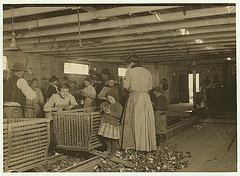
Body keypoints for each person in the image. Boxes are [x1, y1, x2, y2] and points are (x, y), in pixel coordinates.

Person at [121, 53, 157, 151]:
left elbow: (125, 86)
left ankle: (133, 145)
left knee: (133, 120)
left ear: (131, 62)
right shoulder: (147, 71)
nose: (127, 66)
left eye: (127, 64)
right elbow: (150, 87)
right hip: (146, 98)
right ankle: (144, 145)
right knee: (144, 121)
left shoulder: (130, 71)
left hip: (135, 97)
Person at [98, 88, 123, 157]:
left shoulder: (118, 105)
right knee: (104, 138)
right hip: (105, 123)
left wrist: (110, 113)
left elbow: (118, 115)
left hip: (112, 124)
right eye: (108, 99)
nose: (110, 100)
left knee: (113, 139)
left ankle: (113, 152)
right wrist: (103, 108)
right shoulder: (107, 103)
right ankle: (109, 149)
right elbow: (102, 104)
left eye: (111, 99)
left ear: (116, 98)